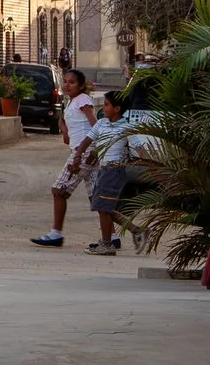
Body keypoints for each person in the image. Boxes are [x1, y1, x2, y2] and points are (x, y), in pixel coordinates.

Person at [32, 68, 99, 248]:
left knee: (58, 190)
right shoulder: (70, 102)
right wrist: (64, 129)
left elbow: (95, 126)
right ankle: (118, 235)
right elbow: (64, 119)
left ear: (81, 85)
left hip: (82, 153)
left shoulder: (83, 100)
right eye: (65, 81)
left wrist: (90, 151)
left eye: (72, 82)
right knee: (97, 199)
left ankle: (56, 234)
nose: (67, 85)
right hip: (82, 152)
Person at [85, 89, 134, 255]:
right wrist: (82, 156)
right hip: (103, 169)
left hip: (114, 170)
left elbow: (138, 148)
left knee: (103, 206)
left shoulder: (127, 127)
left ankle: (107, 244)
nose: (103, 108)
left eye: (106, 105)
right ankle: (135, 230)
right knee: (103, 207)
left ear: (117, 108)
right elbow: (92, 142)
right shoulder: (102, 123)